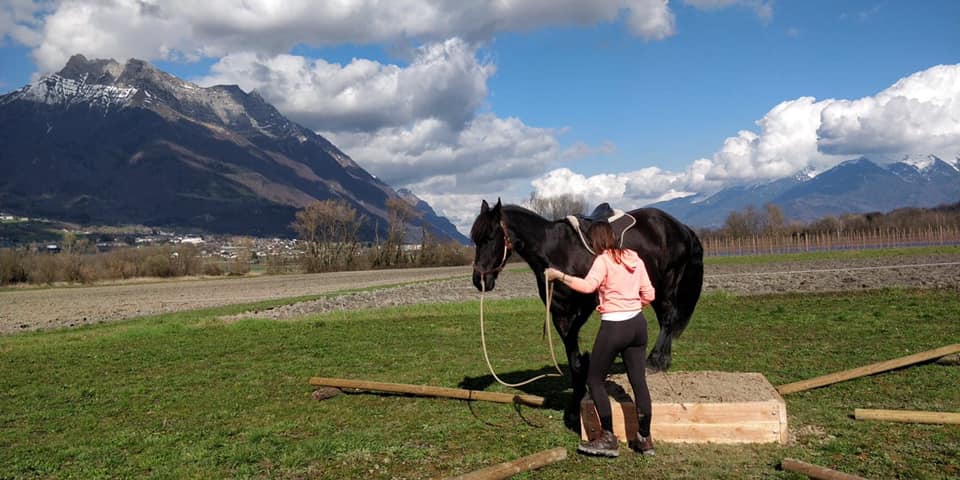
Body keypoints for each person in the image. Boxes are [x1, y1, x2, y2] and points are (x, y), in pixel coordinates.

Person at [545, 221, 656, 457]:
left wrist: (559, 275)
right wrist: (634, 306)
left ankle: (607, 437)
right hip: (638, 325)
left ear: (596, 241)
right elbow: (650, 294)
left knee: (594, 380)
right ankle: (645, 439)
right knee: (639, 382)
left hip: (614, 327)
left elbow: (587, 286)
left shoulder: (603, 260)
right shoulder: (635, 258)